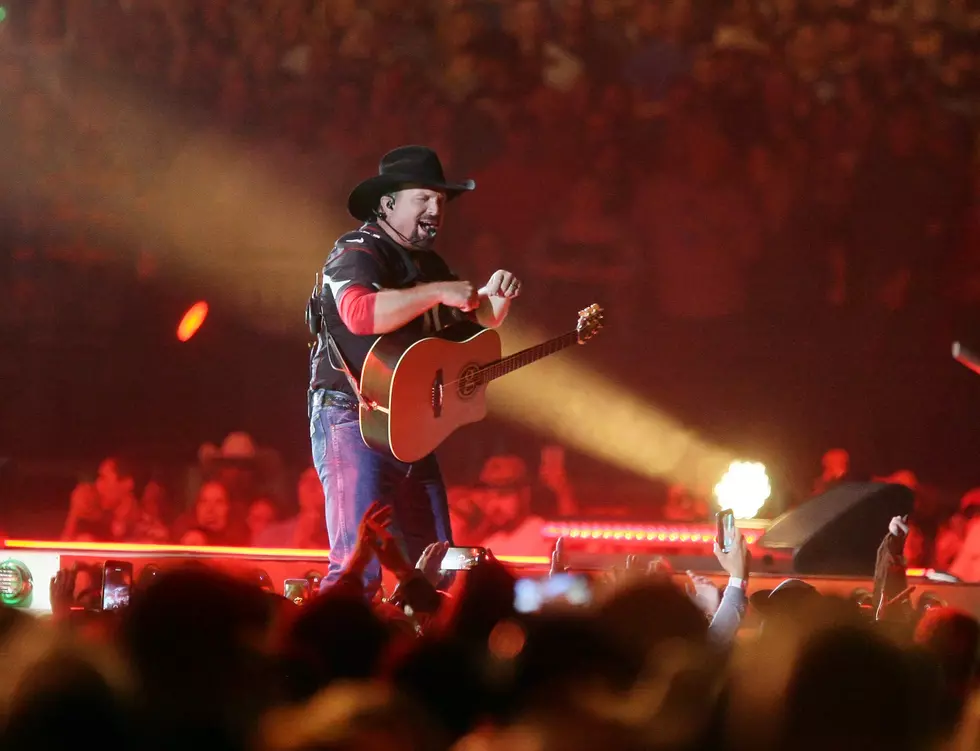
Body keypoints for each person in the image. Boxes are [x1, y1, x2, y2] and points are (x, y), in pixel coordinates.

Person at [308, 145, 522, 596]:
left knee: (436, 561)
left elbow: (470, 323)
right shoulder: (357, 250)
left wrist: (493, 300)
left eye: (441, 201)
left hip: (410, 420)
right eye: (423, 198)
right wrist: (439, 291)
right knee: (356, 565)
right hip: (352, 414)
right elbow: (360, 314)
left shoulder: (429, 266)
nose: (435, 210)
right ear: (387, 204)